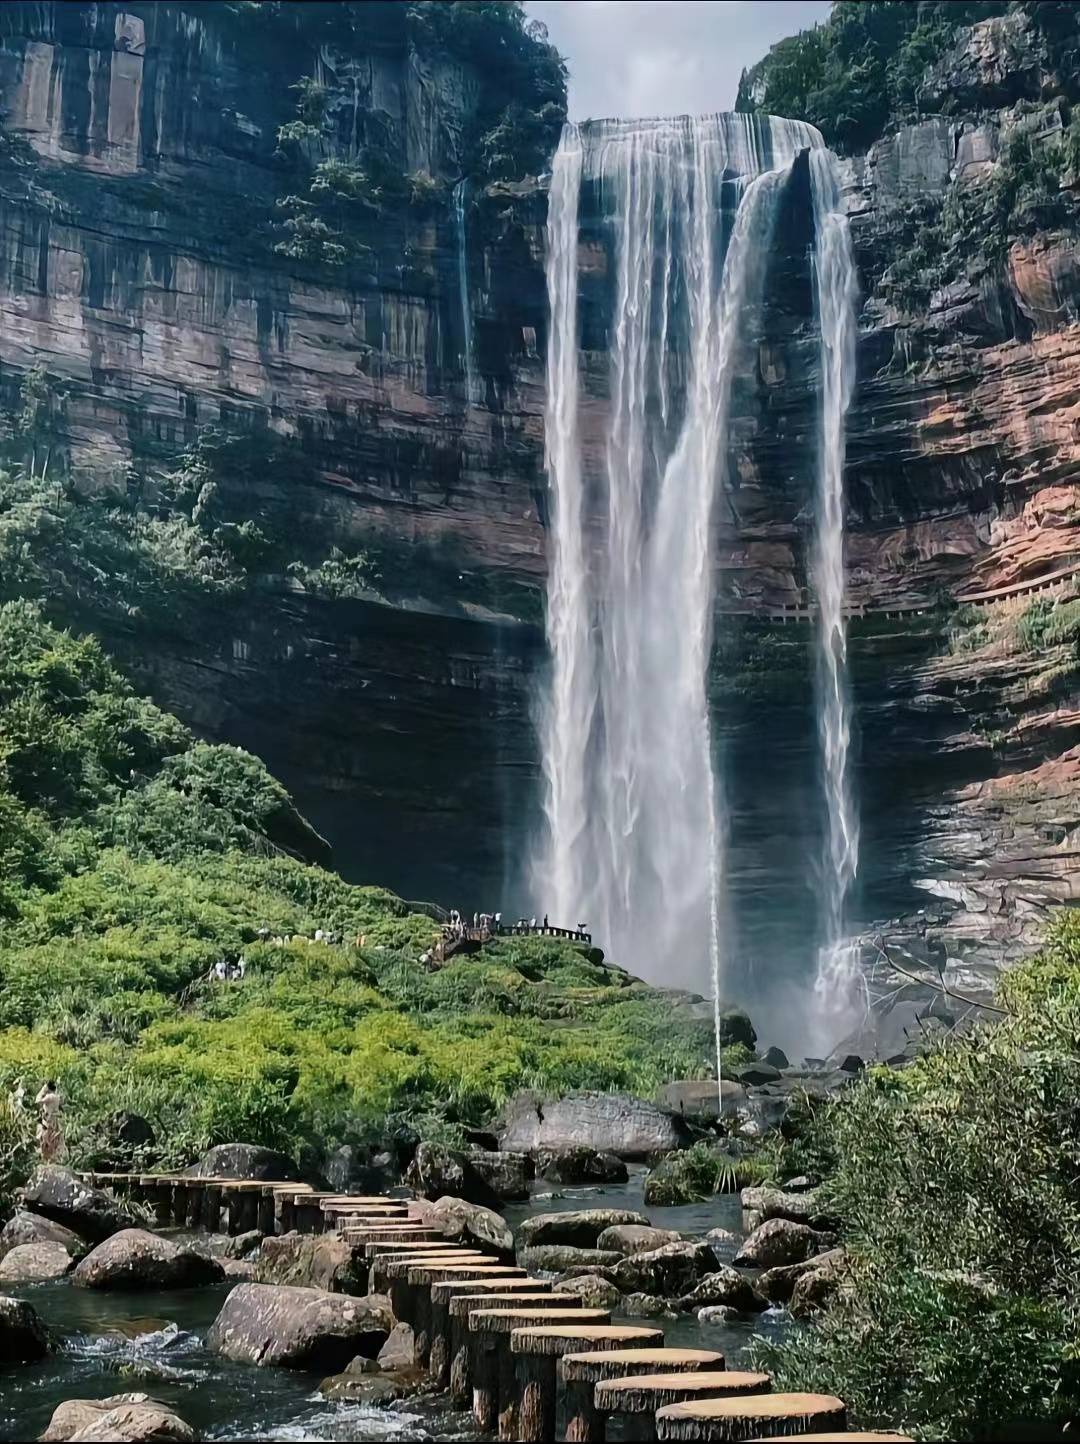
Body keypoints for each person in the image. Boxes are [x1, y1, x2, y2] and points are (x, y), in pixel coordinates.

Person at [35, 1081, 64, 1163]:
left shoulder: (50, 1097)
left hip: (49, 1122)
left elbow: (37, 1101)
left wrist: (42, 1090)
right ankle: (51, 1158)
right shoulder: (56, 1097)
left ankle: (47, 1158)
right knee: (52, 1142)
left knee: (46, 1140)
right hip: (53, 1121)